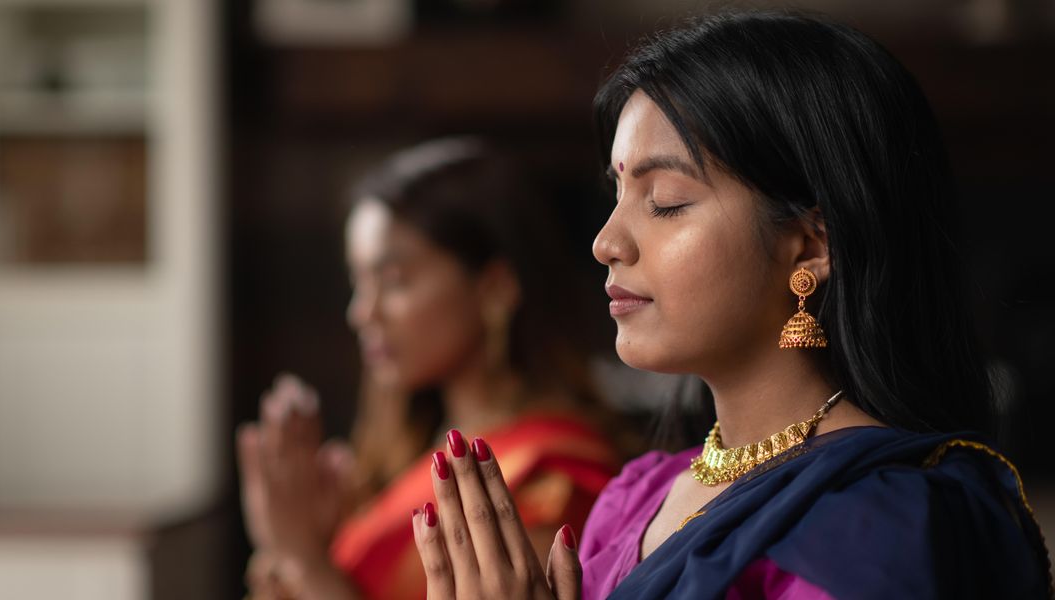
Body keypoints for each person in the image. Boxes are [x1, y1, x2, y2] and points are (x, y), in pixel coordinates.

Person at [409, 12, 1052, 599]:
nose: (607, 243)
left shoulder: (885, 523)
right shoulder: (635, 498)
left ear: (808, 244)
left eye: (664, 201)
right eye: (616, 194)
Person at [237, 138, 621, 600]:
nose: (362, 313)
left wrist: (303, 560)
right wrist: (311, 548)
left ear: (495, 287)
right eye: (358, 282)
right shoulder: (403, 455)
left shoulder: (554, 480)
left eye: (394, 281)